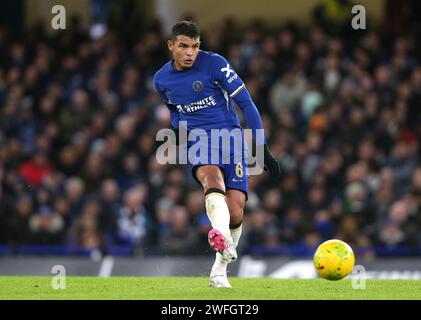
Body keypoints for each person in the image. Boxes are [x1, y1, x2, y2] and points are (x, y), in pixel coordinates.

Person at [153, 21, 281, 288]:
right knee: (212, 181)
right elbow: (174, 110)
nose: (190, 52)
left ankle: (218, 271)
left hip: (231, 140)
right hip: (200, 142)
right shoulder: (161, 79)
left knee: (235, 211)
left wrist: (260, 146)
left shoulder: (215, 64)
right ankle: (220, 236)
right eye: (184, 46)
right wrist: (179, 130)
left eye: (195, 46)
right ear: (171, 46)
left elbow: (246, 103)